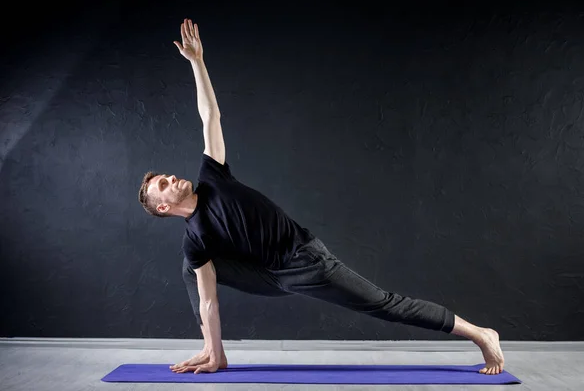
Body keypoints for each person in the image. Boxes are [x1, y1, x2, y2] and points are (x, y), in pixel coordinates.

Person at [138, 18, 505, 376]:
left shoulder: (211, 176)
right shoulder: (196, 241)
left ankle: (480, 334)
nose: (171, 177)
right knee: (192, 267)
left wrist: (198, 62)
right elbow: (207, 300)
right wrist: (215, 350)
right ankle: (212, 352)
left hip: (304, 261)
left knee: (383, 304)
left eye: (166, 176)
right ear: (165, 207)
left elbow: (210, 116)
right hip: (268, 276)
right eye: (163, 186)